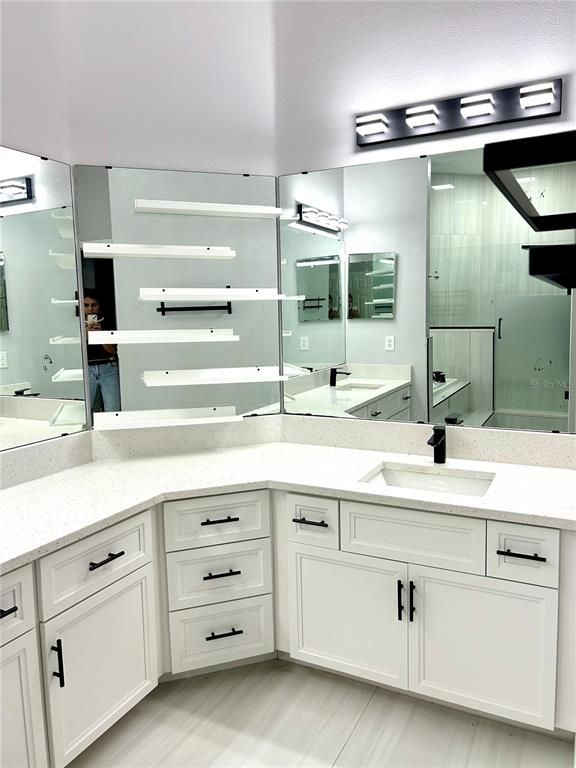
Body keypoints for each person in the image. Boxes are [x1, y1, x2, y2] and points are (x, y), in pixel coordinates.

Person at [84, 291, 121, 412]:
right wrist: (85, 334)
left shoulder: (109, 321)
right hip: (86, 368)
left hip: (108, 367)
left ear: (99, 306)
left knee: (113, 409)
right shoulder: (75, 323)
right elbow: (74, 351)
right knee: (84, 410)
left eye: (94, 305)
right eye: (86, 305)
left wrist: (100, 336)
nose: (90, 309)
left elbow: (112, 351)